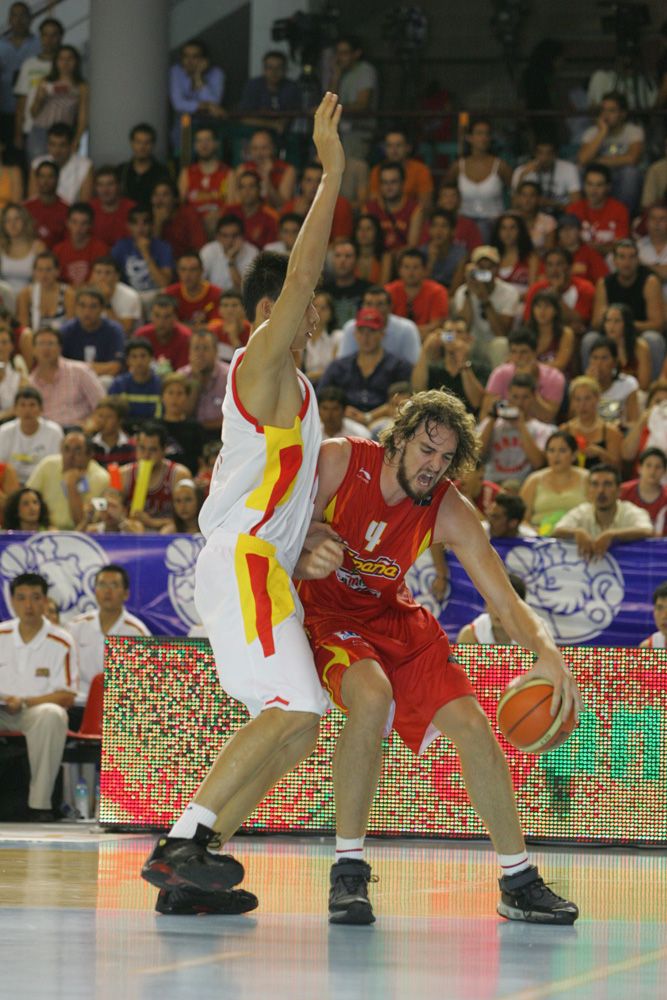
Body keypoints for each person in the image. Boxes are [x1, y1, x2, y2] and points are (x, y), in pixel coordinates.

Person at [140, 93, 347, 917]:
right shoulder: (262, 358)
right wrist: (330, 173)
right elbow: (300, 273)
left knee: (300, 717)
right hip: (243, 561)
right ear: (274, 315)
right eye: (306, 314)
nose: (311, 322)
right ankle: (183, 841)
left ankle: (196, 862)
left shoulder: (296, 394)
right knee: (295, 705)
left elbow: (290, 489)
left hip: (263, 566)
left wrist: (315, 534)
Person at [297, 389, 581, 924]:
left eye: (446, 457)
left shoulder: (448, 507)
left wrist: (547, 654)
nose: (434, 466)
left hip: (395, 621)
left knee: (474, 727)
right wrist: (307, 547)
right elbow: (269, 530)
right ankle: (348, 872)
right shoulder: (337, 461)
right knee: (373, 696)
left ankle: (517, 880)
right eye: (427, 450)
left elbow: (506, 600)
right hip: (326, 616)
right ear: (397, 439)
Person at [0, 571, 77, 821]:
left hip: (34, 712)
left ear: (45, 601)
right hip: (2, 709)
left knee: (53, 715)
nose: (28, 605)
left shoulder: (61, 641)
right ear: (11, 601)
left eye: (35, 598)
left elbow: (66, 696)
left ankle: (40, 805)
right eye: (21, 598)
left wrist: (23, 702)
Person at [317, 306, 413, 428]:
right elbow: (320, 398)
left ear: (382, 334)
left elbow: (405, 400)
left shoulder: (399, 366)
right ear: (355, 334)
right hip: (343, 421)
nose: (366, 337)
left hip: (385, 422)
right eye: (361, 331)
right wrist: (341, 410)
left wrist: (370, 417)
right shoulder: (338, 366)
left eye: (372, 331)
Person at [69, 564, 150, 703]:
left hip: (119, 706)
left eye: (114, 585)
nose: (107, 591)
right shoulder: (76, 627)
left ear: (126, 594)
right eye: (102, 585)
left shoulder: (137, 632)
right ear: (95, 591)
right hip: (79, 703)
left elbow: (145, 678)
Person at [590, 241, 665, 380]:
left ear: (638, 260)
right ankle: (591, 385)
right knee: (590, 339)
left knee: (653, 339)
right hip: (611, 334)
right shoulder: (605, 283)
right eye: (622, 257)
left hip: (638, 334)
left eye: (631, 257)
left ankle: (654, 390)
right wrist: (614, 326)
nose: (627, 262)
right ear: (614, 260)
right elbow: (596, 322)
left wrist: (625, 325)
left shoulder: (649, 281)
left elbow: (658, 324)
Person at [552, 463, 653, 557]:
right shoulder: (582, 511)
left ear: (619, 491)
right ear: (589, 490)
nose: (601, 490)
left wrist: (612, 535)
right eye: (595, 484)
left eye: (607, 484)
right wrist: (576, 532)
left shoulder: (630, 511)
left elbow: (647, 531)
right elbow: (557, 531)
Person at [478, 373, 554, 485]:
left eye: (525, 397)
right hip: (490, 483)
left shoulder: (543, 429)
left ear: (534, 397)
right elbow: (477, 455)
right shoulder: (492, 423)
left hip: (522, 486)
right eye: (515, 397)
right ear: (508, 395)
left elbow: (538, 463)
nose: (519, 403)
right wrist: (492, 418)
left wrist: (521, 425)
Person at [452, 245, 519, 369]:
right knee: (456, 341)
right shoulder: (463, 292)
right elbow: (463, 327)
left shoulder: (509, 292)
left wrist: (484, 298)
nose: (486, 272)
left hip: (493, 343)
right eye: (481, 268)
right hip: (471, 342)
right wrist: (469, 291)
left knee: (501, 344)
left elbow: (501, 332)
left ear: (497, 268)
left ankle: (499, 386)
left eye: (490, 267)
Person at [27, 429, 109, 530]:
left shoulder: (101, 478)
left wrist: (71, 486)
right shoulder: (48, 465)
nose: (70, 455)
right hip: (45, 529)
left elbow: (83, 522)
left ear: (90, 455)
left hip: (82, 535)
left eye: (77, 450)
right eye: (66, 449)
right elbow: (26, 499)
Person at [480, 327, 565, 424]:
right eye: (513, 352)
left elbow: (547, 418)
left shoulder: (554, 377)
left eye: (523, 352)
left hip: (538, 432)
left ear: (534, 353)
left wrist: (528, 383)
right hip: (505, 428)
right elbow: (485, 415)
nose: (518, 357)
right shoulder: (500, 373)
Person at [577, 92, 644, 213]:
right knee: (579, 171)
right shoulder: (592, 132)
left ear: (623, 114)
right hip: (598, 177)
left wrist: (598, 161)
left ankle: (624, 216)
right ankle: (587, 214)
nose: (606, 115)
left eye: (612, 111)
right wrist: (602, 132)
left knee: (631, 173)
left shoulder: (634, 131)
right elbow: (583, 159)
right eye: (603, 110)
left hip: (620, 177)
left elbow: (632, 159)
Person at [447, 118, 512, 240]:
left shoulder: (500, 166)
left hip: (493, 222)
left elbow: (515, 193)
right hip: (464, 220)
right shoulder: (458, 166)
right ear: (469, 137)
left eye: (487, 134)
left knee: (482, 228)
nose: (483, 138)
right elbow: (445, 192)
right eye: (479, 133)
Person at [29, 325, 105, 425]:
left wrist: (89, 425)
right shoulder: (30, 383)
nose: (46, 349)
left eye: (50, 344)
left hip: (79, 431)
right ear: (33, 350)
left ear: (60, 348)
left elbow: (103, 407)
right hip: (48, 435)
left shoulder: (80, 371)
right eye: (41, 344)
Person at [120, 421, 190, 531]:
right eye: (142, 448)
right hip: (134, 533)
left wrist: (151, 522)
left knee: (169, 529)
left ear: (164, 450)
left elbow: (188, 519)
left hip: (166, 533)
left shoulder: (179, 475)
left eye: (153, 449)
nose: (146, 455)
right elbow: (113, 513)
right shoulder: (124, 474)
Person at [13, 16, 63, 163]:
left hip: (61, 128)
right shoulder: (29, 64)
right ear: (40, 37)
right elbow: (21, 101)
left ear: (60, 37)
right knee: (37, 172)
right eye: (45, 35)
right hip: (32, 126)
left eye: (54, 35)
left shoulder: (66, 64)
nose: (49, 39)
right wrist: (18, 133)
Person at [520, 431, 589, 534]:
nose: (556, 456)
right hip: (538, 539)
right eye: (551, 450)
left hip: (577, 538)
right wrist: (533, 532)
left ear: (574, 454)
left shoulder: (587, 478)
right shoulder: (533, 480)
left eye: (562, 450)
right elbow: (521, 519)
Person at [411, 320, 486, 413]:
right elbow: (417, 390)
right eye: (449, 332)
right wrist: (425, 349)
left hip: (469, 421)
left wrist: (463, 362)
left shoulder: (480, 368)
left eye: (459, 332)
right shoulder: (434, 368)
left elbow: (478, 403)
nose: (453, 336)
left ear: (469, 338)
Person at [337, 284, 420, 366]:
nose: (374, 309)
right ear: (362, 307)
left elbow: (414, 366)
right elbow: (342, 366)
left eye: (380, 304)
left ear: (390, 307)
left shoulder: (407, 329)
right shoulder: (351, 328)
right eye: (369, 304)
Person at [29, 44, 88, 156]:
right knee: (38, 166)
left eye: (70, 58)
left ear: (76, 62)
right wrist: (40, 99)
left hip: (64, 133)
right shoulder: (45, 81)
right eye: (61, 58)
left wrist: (77, 138)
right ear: (56, 61)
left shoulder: (81, 86)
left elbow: (82, 117)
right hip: (41, 130)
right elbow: (33, 113)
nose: (65, 62)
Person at [177, 125, 235, 237]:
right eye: (199, 141)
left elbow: (231, 205)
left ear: (216, 144)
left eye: (208, 140)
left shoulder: (228, 173)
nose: (204, 145)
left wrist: (217, 216)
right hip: (192, 226)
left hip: (220, 226)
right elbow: (181, 205)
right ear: (195, 146)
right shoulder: (187, 173)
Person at [523, 247, 595, 337]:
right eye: (550, 265)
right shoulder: (536, 288)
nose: (554, 269)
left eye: (559, 264)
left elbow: (581, 321)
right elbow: (528, 322)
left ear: (570, 267)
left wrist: (556, 296)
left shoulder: (585, 287)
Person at [0, 3, 39, 162]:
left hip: (32, 112)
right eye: (15, 15)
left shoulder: (39, 44)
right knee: (6, 156)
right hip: (4, 108)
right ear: (9, 19)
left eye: (23, 15)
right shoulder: (1, 45)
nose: (19, 20)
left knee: (30, 158)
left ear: (30, 19)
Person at [169, 38, 225, 150]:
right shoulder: (176, 71)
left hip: (209, 123)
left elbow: (214, 102)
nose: (189, 61)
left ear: (204, 59)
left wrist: (198, 77)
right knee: (183, 121)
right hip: (184, 124)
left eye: (195, 57)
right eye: (186, 56)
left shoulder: (216, 73)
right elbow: (178, 104)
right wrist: (205, 106)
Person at [0, 386, 62, 485]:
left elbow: (56, 467)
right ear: (15, 409)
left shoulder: (54, 432)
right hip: (11, 483)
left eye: (32, 405)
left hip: (43, 483)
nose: (27, 410)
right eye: (22, 405)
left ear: (41, 409)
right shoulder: (4, 431)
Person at [60, 286, 124, 380]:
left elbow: (115, 367)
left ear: (102, 309)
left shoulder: (114, 330)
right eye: (82, 305)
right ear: (76, 307)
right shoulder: (66, 330)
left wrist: (79, 369)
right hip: (72, 380)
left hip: (102, 379)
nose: (87, 311)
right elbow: (59, 365)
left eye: (93, 306)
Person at [330, 35, 377, 161]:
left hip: (358, 132)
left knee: (352, 169)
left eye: (344, 53)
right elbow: (330, 100)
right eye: (338, 53)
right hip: (340, 132)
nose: (340, 58)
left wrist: (335, 109)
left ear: (357, 53)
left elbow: (362, 104)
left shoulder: (365, 70)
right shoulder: (342, 73)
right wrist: (336, 76)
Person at [560, 375, 623, 471]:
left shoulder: (611, 432)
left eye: (587, 398)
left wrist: (600, 453)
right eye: (577, 399)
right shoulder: (565, 430)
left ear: (597, 399)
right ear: (572, 402)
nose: (582, 405)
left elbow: (619, 469)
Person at [385, 248, 449, 341]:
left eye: (415, 267)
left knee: (448, 337)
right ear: (399, 270)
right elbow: (383, 324)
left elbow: (436, 326)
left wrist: (404, 333)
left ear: (424, 270)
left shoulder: (438, 291)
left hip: (427, 341)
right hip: (394, 340)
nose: (411, 273)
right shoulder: (388, 291)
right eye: (406, 267)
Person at [281, 161, 353, 243]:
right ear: (301, 184)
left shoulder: (340, 205)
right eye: (309, 180)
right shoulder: (290, 207)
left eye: (319, 181)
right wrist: (296, 217)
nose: (314, 185)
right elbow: (286, 242)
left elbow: (341, 243)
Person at [111, 206, 174, 296]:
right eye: (135, 223)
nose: (140, 228)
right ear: (128, 226)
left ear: (152, 225)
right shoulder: (121, 247)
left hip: (157, 296)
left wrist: (145, 253)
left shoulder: (163, 247)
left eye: (145, 223)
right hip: (129, 296)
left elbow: (163, 283)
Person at [569, 163, 630, 256]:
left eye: (599, 185)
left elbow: (621, 246)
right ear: (584, 186)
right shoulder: (573, 209)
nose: (593, 190)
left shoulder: (619, 210)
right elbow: (567, 244)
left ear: (608, 187)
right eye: (589, 184)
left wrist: (599, 249)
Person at [364, 162, 423, 255]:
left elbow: (412, 246)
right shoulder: (369, 208)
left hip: (402, 261)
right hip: (375, 259)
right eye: (384, 182)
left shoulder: (414, 209)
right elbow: (364, 243)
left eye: (393, 182)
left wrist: (390, 258)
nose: (388, 187)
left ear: (403, 183)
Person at [237, 50, 300, 134]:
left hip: (285, 135)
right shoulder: (253, 86)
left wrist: (283, 123)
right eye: (270, 67)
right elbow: (244, 118)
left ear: (285, 70)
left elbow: (296, 113)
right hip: (254, 135)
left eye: (278, 68)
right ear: (264, 69)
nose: (274, 72)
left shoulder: (292, 87)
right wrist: (272, 124)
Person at [368, 129, 434, 211]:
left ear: (408, 148)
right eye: (389, 146)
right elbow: (374, 203)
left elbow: (425, 205)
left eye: (398, 145)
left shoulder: (421, 170)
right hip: (384, 218)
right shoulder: (377, 170)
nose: (394, 150)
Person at [28, 122, 93, 204]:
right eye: (52, 144)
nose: (57, 150)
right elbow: (33, 200)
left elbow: (85, 204)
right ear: (47, 145)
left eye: (62, 145)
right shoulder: (37, 164)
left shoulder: (85, 166)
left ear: (71, 145)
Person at [511, 139, 581, 212]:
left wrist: (549, 203)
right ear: (534, 153)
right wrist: (522, 176)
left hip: (561, 214)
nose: (544, 158)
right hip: (531, 214)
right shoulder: (521, 171)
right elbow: (514, 205)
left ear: (555, 154)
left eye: (549, 153)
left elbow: (576, 205)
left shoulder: (569, 169)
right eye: (540, 153)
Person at [16, 249, 75, 334]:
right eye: (40, 270)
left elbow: (72, 328)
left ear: (57, 271)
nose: (44, 274)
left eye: (49, 269)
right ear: (34, 272)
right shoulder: (26, 294)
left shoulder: (68, 294)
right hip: (35, 342)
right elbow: (24, 330)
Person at [457, 574, 528, 644]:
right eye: (494, 604)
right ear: (486, 604)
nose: (497, 612)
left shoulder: (532, 636)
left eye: (505, 606)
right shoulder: (470, 635)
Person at [586, 336, 639, 426]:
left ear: (614, 362)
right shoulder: (582, 386)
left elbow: (634, 423)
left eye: (604, 358)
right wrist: (591, 386)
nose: (599, 363)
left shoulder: (628, 385)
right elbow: (577, 419)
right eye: (595, 358)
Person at [237, 129, 296, 211]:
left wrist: (266, 177)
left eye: (264, 148)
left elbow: (281, 205)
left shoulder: (287, 170)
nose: (259, 153)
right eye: (255, 149)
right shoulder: (243, 169)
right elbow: (238, 201)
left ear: (273, 148)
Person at [53, 202, 109, 286]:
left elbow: (103, 280)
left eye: (84, 223)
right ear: (67, 223)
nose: (78, 228)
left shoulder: (100, 249)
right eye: (74, 222)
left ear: (90, 225)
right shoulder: (58, 250)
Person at [200, 213, 258, 293]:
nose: (230, 240)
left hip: (241, 301)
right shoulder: (208, 251)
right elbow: (199, 283)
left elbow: (246, 291)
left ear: (242, 236)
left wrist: (231, 261)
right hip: (215, 299)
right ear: (217, 236)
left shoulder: (252, 252)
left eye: (234, 235)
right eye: (225, 235)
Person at [160, 372, 204, 474]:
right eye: (170, 393)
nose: (174, 398)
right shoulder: (154, 427)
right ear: (162, 397)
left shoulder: (195, 428)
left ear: (187, 397)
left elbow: (201, 462)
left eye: (180, 393)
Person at [151, 180, 207, 261]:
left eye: (165, 195)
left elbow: (200, 248)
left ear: (175, 199)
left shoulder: (188, 214)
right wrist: (158, 224)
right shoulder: (146, 217)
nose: (159, 200)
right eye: (156, 195)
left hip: (186, 264)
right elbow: (153, 253)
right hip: (161, 266)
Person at [108, 337, 162, 423]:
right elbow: (111, 414)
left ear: (151, 358)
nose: (139, 361)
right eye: (134, 357)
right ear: (128, 360)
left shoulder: (161, 385)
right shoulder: (118, 384)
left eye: (143, 356)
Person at [135, 294, 192, 373]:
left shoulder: (186, 337)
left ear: (175, 317)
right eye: (157, 316)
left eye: (167, 317)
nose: (161, 322)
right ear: (150, 316)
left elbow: (183, 373)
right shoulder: (141, 335)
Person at [117, 123, 170, 208]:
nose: (142, 147)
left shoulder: (162, 172)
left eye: (147, 143)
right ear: (132, 143)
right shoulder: (122, 171)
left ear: (153, 145)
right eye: (138, 142)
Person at [225, 169, 279, 250]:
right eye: (243, 187)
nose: (247, 191)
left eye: (251, 186)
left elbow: (272, 249)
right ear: (238, 191)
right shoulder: (230, 211)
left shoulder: (270, 216)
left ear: (259, 189)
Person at [323, 238, 371, 329]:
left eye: (348, 256)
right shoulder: (323, 291)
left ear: (356, 260)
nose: (342, 261)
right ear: (332, 260)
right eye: (338, 256)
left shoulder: (367, 291)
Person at [0, 202, 46, 294]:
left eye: (17, 219)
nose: (12, 224)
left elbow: (44, 280)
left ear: (25, 221)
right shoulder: (1, 247)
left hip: (31, 299)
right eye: (7, 220)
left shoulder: (38, 248)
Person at [490, 211, 538, 299]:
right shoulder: (491, 258)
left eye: (513, 228)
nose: (508, 233)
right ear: (498, 232)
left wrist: (511, 299)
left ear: (520, 231)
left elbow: (533, 289)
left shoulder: (530, 258)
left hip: (522, 305)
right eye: (503, 228)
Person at [89, 255, 142, 336]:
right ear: (92, 275)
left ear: (117, 276)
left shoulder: (130, 296)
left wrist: (106, 302)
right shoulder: (86, 295)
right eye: (98, 272)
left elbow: (124, 331)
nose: (102, 277)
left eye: (108, 273)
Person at [621, 379, 667, 470]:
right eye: (657, 402)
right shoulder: (641, 425)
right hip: (641, 480)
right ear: (649, 404)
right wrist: (642, 421)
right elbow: (626, 455)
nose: (661, 407)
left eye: (666, 403)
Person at [619, 447, 667, 535]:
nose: (652, 471)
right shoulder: (622, 491)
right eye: (648, 465)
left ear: (664, 471)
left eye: (658, 467)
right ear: (639, 468)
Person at [526, 289, 575, 373]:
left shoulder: (566, 333)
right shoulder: (526, 332)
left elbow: (560, 364)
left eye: (547, 306)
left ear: (556, 310)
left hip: (557, 378)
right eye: (538, 306)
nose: (542, 311)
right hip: (529, 378)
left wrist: (532, 367)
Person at [164, 252, 221, 325]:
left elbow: (217, 328)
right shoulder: (170, 294)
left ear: (201, 271)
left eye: (193, 270)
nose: (187, 274)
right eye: (183, 269)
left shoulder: (216, 294)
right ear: (177, 271)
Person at [23, 159, 68, 248]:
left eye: (50, 176)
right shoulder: (25, 208)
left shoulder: (67, 209)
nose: (45, 181)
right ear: (36, 179)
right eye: (42, 176)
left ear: (58, 179)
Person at [420, 209, 468, 291]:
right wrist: (431, 262)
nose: (439, 231)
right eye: (435, 226)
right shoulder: (421, 252)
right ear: (429, 230)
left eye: (444, 226)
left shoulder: (461, 254)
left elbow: (455, 289)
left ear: (453, 231)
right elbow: (418, 287)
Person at [300, 290, 341, 385]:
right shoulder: (300, 336)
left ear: (331, 313)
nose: (317, 311)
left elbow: (338, 369)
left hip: (328, 385)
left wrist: (312, 376)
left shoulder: (337, 337)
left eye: (323, 308)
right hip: (304, 385)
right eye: (315, 306)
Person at [556, 213, 608, 286]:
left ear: (579, 231)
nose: (566, 232)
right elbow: (541, 279)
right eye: (562, 229)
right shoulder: (553, 255)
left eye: (571, 228)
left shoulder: (590, 253)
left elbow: (604, 280)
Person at [89, 165, 135, 248]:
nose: (105, 190)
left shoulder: (132, 209)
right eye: (100, 185)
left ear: (119, 186)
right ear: (95, 188)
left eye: (110, 184)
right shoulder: (89, 209)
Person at [434, 181, 483, 253]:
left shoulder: (469, 224)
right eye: (445, 196)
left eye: (453, 196)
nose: (449, 200)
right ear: (439, 200)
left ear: (459, 200)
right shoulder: (431, 223)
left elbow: (477, 250)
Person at [88, 396, 135, 468]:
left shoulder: (130, 446)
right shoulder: (90, 445)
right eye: (100, 416)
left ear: (120, 420)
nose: (103, 421)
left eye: (109, 417)